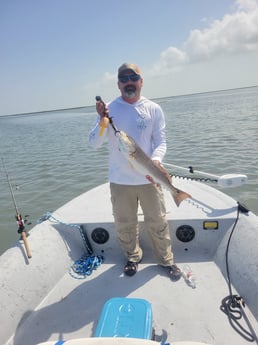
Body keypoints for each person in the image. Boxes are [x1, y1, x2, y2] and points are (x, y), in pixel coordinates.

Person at [89, 63, 181, 281]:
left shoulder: (153, 108)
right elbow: (94, 143)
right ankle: (132, 257)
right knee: (124, 223)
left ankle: (166, 260)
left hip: (150, 178)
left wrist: (156, 161)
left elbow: (161, 141)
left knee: (158, 221)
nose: (129, 81)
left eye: (133, 77)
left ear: (141, 81)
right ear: (118, 83)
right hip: (120, 181)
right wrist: (103, 122)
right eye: (124, 78)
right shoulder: (109, 109)